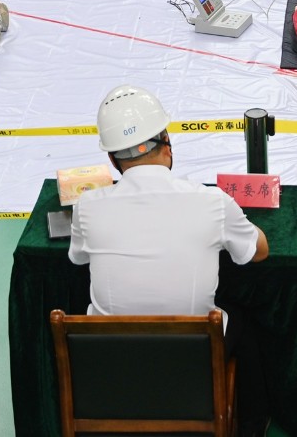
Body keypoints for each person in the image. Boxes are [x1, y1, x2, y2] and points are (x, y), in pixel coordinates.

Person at [69, 84, 270, 436]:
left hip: (110, 359)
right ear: (167, 142)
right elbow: (258, 251)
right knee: (242, 320)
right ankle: (251, 425)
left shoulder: (87, 205)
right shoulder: (212, 201)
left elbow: (77, 258)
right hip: (190, 358)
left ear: (113, 159)